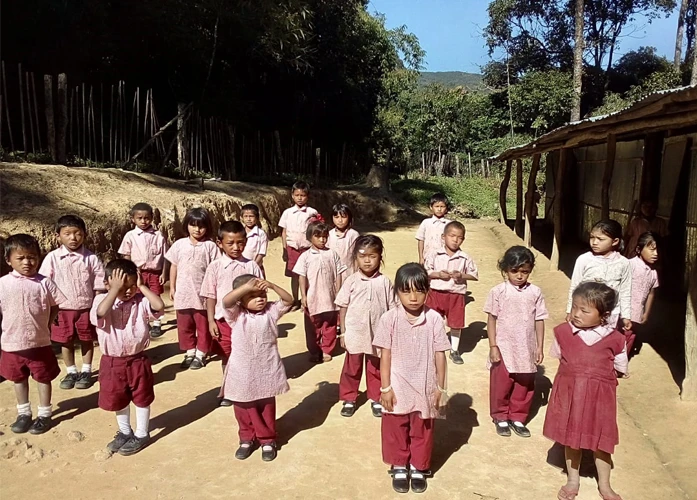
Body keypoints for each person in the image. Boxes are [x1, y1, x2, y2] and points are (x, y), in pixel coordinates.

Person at [544, 282, 628, 500]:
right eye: (574, 307)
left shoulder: (616, 339)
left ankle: (605, 485)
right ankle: (572, 480)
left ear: (604, 315)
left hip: (600, 400)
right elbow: (560, 357)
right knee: (572, 439)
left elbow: (621, 368)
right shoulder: (563, 333)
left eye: (584, 310)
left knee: (602, 442)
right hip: (572, 395)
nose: (576, 314)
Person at [374, 263, 450, 494]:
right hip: (397, 384)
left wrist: (441, 388)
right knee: (396, 426)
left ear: (428, 291)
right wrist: (385, 387)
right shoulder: (389, 319)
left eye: (419, 290)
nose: (413, 297)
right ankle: (399, 464)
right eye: (406, 291)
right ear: (397, 292)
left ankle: (418, 466)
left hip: (425, 385)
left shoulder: (435, 319)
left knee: (422, 428)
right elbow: (384, 355)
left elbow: (440, 355)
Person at [91, 259, 165, 456]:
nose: (128, 291)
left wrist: (141, 286)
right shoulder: (101, 301)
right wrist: (113, 291)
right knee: (118, 398)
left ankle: (141, 434)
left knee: (142, 397)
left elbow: (158, 305)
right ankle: (125, 432)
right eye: (122, 287)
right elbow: (100, 313)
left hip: (137, 360)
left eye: (131, 286)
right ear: (107, 284)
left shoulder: (141, 301)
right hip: (112, 362)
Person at [220, 275, 294, 462]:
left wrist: (272, 285)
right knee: (243, 405)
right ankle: (246, 438)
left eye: (263, 294)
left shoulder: (271, 312)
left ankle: (267, 439)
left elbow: (288, 300)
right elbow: (226, 301)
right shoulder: (237, 315)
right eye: (253, 296)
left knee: (266, 405)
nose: (260, 299)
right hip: (242, 370)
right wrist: (246, 287)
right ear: (241, 299)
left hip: (267, 368)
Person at [0, 234, 66, 435]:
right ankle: (24, 413)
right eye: (20, 258)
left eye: (32, 257)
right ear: (8, 259)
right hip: (12, 344)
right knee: (18, 379)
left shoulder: (44, 283)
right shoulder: (2, 284)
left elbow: (56, 304)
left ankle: (45, 414)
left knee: (43, 378)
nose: (27, 262)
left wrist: (46, 323)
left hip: (39, 343)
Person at [485, 246, 548, 438]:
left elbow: (539, 320)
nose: (520, 276)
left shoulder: (535, 292)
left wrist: (539, 347)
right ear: (505, 269)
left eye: (525, 271)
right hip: (504, 347)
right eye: (515, 271)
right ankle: (500, 416)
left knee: (524, 384)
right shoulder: (498, 292)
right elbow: (492, 320)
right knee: (501, 384)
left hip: (526, 348)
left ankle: (518, 417)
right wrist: (493, 346)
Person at [200, 221, 263, 406]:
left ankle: (248, 387)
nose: (236, 247)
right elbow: (210, 296)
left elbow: (261, 291)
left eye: (241, 242)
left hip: (247, 321)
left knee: (248, 355)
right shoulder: (215, 267)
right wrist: (211, 320)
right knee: (228, 356)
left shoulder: (251, 266)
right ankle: (229, 389)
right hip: (223, 321)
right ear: (220, 243)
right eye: (231, 243)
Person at [39, 215, 105, 390]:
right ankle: (71, 371)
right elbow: (45, 284)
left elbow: (99, 284)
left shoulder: (91, 258)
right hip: (61, 310)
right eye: (67, 233)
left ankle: (86, 371)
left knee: (87, 339)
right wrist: (49, 310)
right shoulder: (52, 258)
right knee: (65, 342)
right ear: (57, 236)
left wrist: (96, 306)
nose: (73, 238)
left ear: (84, 234)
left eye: (77, 233)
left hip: (86, 308)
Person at [335, 235, 396, 418]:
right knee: (351, 368)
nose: (367, 260)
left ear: (380, 257)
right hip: (354, 333)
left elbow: (393, 308)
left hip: (377, 335)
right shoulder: (351, 281)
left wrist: (391, 334)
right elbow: (343, 307)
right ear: (356, 258)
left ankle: (376, 398)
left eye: (372, 256)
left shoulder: (384, 282)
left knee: (375, 368)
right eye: (363, 256)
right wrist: (343, 333)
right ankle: (349, 398)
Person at [165, 207, 220, 370]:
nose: (197, 229)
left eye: (201, 226)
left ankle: (201, 353)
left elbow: (215, 269)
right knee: (184, 325)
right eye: (193, 225)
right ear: (186, 225)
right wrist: (172, 287)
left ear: (207, 227)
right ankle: (190, 351)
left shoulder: (210, 246)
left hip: (202, 294)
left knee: (202, 325)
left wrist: (213, 292)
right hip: (183, 293)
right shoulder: (179, 245)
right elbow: (173, 266)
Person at [424, 221, 479, 365]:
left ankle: (454, 350)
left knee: (455, 324)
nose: (455, 240)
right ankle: (430, 347)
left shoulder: (465, 257)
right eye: (452, 236)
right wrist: (437, 274)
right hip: (436, 292)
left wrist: (461, 275)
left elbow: (474, 275)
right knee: (432, 320)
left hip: (456, 295)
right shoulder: (434, 254)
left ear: (463, 239)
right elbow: (426, 271)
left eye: (459, 237)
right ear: (443, 237)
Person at [293, 220, 346, 363]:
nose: (322, 240)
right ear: (310, 238)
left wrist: (339, 292)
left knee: (330, 326)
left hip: (330, 297)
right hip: (312, 298)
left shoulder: (332, 254)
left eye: (325, 237)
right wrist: (303, 296)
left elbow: (339, 273)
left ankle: (326, 350)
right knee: (312, 327)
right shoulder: (305, 256)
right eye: (318, 236)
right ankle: (315, 350)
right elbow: (301, 276)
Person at [566, 220, 632, 333]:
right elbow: (574, 286)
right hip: (586, 312)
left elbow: (625, 291)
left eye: (600, 239)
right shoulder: (584, 260)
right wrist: (570, 310)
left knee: (604, 342)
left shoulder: (624, 263)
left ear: (615, 241)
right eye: (592, 237)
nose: (594, 242)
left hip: (611, 313)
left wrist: (625, 316)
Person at [118, 203, 168, 338]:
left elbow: (165, 256)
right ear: (132, 219)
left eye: (146, 218)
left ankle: (157, 322)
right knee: (138, 296)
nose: (143, 221)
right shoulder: (130, 236)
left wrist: (164, 273)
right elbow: (126, 255)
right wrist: (129, 273)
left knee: (156, 295)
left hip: (155, 272)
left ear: (152, 218)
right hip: (138, 273)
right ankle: (143, 321)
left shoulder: (158, 235)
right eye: (139, 218)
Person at [279, 181, 318, 305]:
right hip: (292, 249)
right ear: (292, 195)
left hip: (307, 249)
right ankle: (295, 300)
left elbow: (317, 231)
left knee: (308, 275)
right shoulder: (287, 213)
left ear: (308, 196)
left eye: (303, 195)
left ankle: (306, 299)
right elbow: (284, 232)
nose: (300, 198)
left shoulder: (312, 212)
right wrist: (285, 249)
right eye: (297, 195)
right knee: (294, 275)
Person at [628, 232, 659, 356]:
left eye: (658, 251)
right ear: (638, 249)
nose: (656, 254)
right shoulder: (630, 265)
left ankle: (621, 363)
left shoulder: (653, 273)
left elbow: (651, 293)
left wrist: (646, 313)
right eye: (652, 250)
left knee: (630, 336)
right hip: (623, 309)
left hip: (637, 311)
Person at [415, 192, 451, 265]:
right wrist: (421, 257)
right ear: (431, 207)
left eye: (442, 206)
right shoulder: (426, 223)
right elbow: (421, 240)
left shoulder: (449, 224)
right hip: (427, 258)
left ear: (446, 208)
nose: (439, 209)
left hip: (444, 258)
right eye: (436, 206)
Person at [327, 203, 360, 276]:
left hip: (349, 272)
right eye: (336, 217)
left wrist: (356, 273)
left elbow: (357, 256)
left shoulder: (353, 235)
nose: (340, 220)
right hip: (332, 272)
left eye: (343, 217)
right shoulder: (329, 234)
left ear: (349, 218)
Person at [240, 204, 268, 273]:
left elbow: (262, 253)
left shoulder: (261, 234)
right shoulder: (239, 233)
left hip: (256, 267)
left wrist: (254, 266)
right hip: (241, 267)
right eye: (246, 216)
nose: (249, 219)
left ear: (257, 217)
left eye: (251, 216)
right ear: (241, 218)